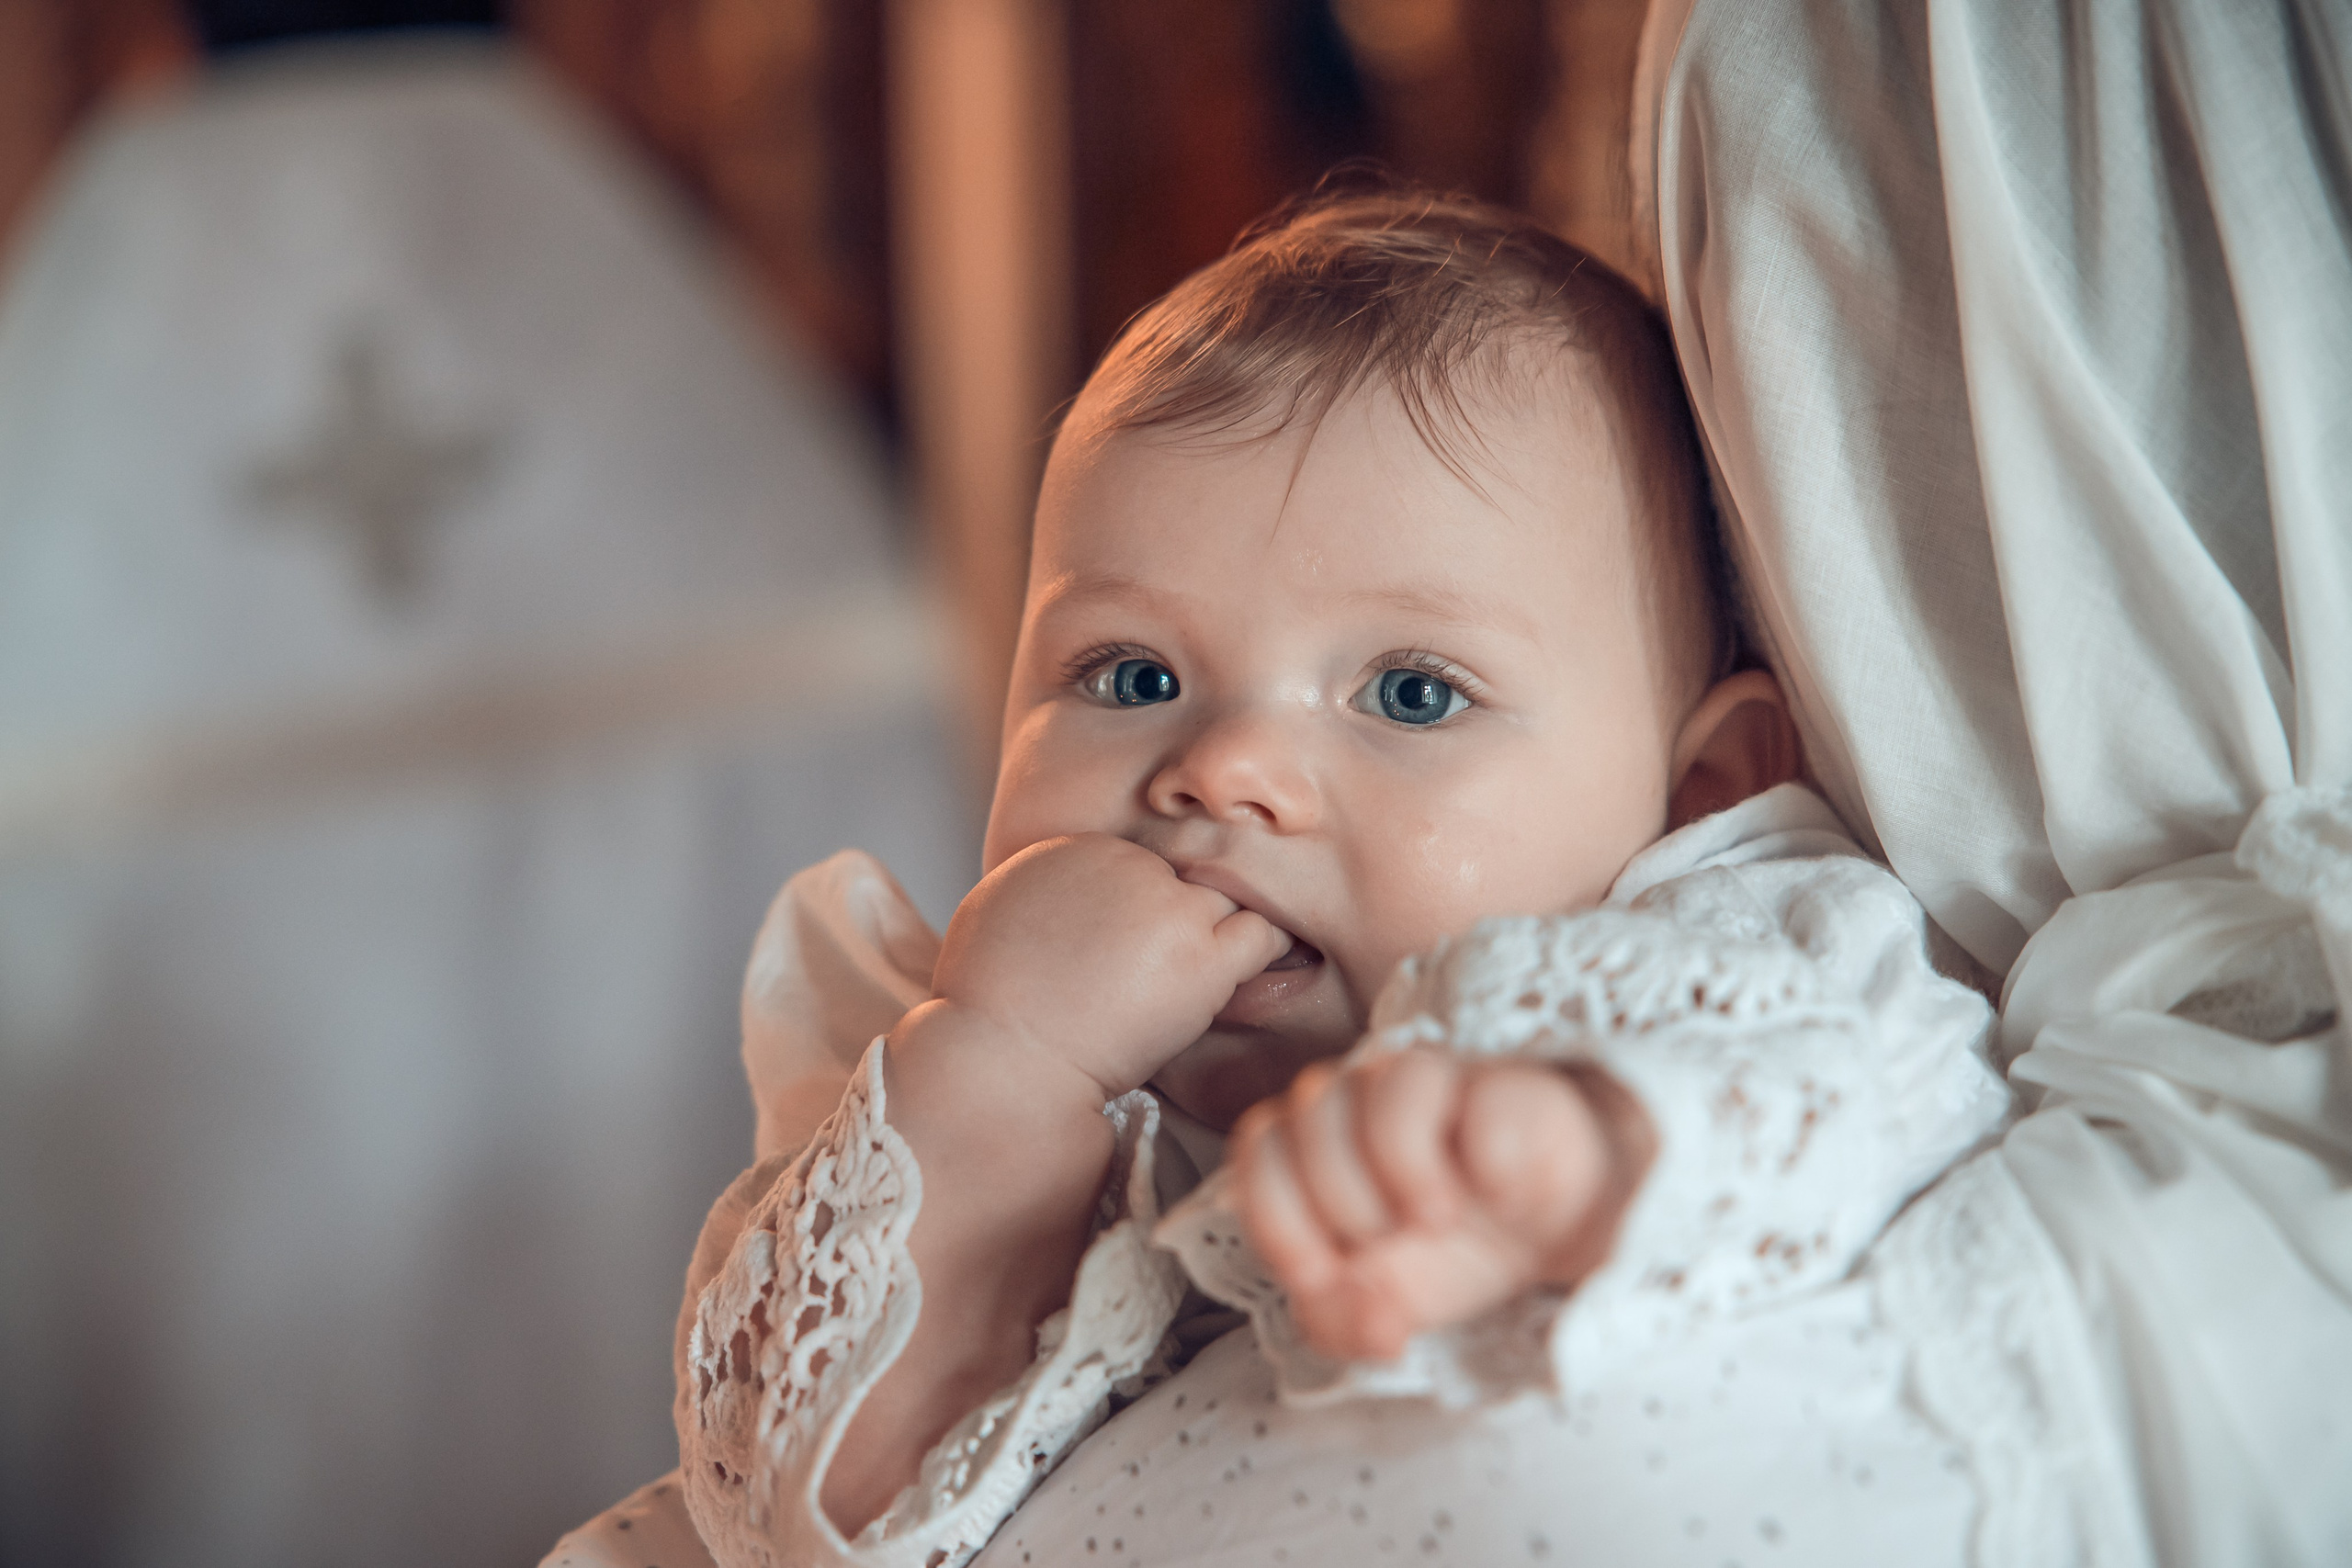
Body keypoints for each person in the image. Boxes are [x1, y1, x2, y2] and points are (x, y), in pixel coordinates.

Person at [547, 185, 2011, 1567]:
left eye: (1412, 694)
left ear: (1702, 790)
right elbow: (792, 1513)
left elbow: (1885, 1087)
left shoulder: (1710, 960)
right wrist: (999, 1064)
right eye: (1131, 672)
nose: (1222, 766)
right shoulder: (940, 1078)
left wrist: (1581, 1149)